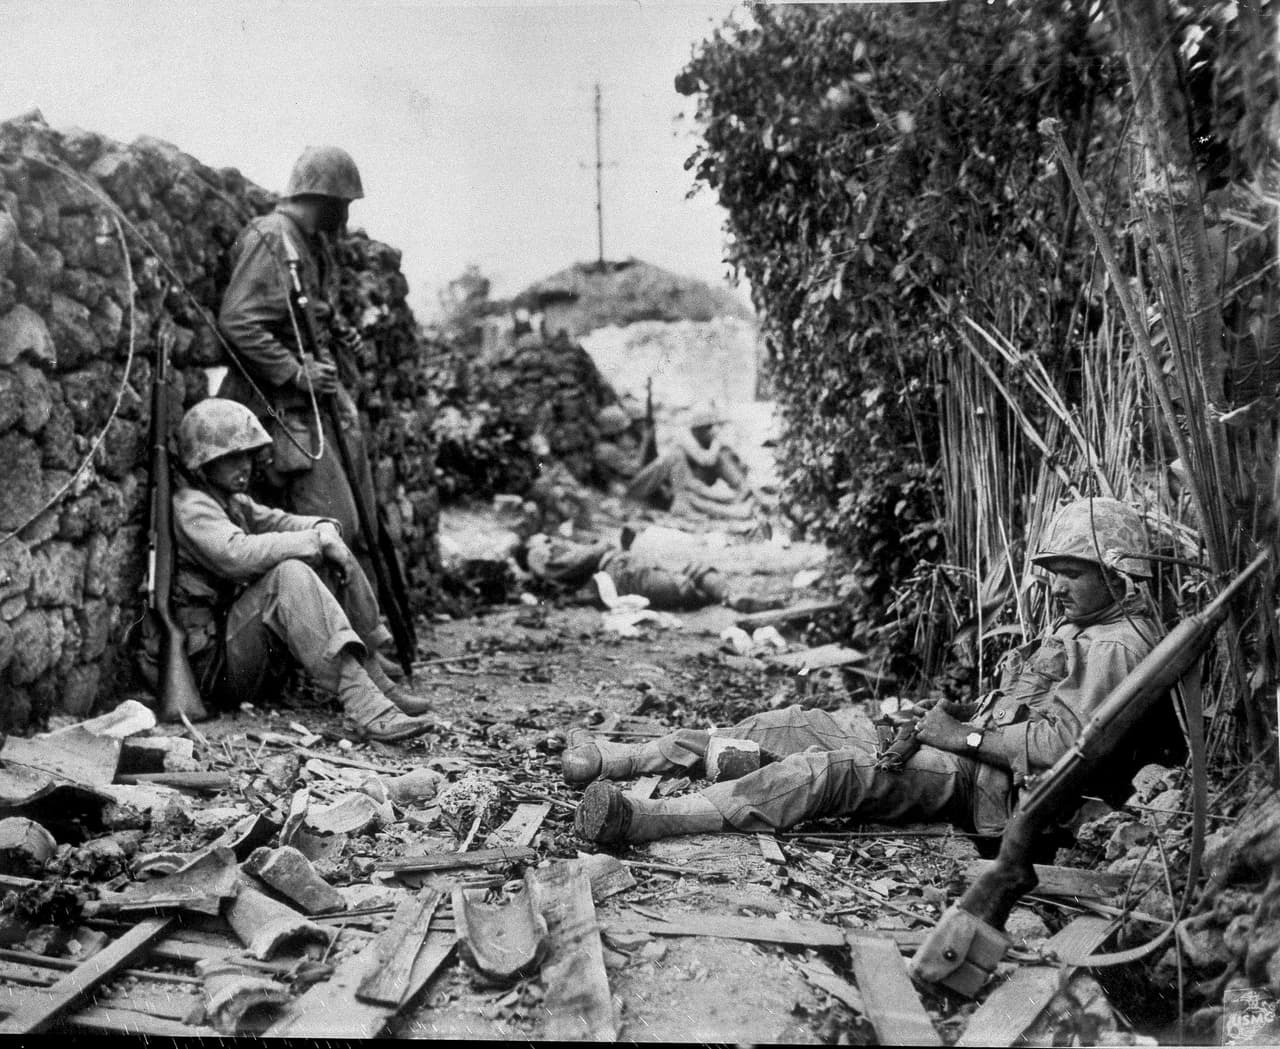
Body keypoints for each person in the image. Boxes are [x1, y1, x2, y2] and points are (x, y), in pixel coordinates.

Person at [570, 497, 1171, 845]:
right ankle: (621, 760)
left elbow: (1060, 748)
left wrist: (953, 735)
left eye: (1073, 572)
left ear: (1117, 575)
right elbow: (1019, 710)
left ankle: (650, 819)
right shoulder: (1083, 624)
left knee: (831, 771)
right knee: (789, 725)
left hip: (984, 789)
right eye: (1055, 571)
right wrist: (943, 721)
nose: (1057, 585)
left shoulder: (1116, 646)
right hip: (967, 754)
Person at [169, 398, 433, 743]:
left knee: (324, 550)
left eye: (247, 455)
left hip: (239, 648)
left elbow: (279, 521)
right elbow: (236, 554)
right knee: (290, 574)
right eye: (232, 457)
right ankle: (364, 703)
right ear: (204, 461)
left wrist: (323, 529)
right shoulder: (192, 507)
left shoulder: (229, 500)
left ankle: (374, 677)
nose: (245, 466)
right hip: (213, 668)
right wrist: (314, 540)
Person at [216, 146, 380, 593]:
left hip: (318, 407)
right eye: (342, 204)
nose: (345, 218)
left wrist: (339, 332)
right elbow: (239, 321)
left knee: (360, 518)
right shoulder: (272, 237)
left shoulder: (308, 245)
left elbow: (307, 312)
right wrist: (294, 371)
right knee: (334, 523)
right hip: (290, 414)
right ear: (322, 199)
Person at [516, 530, 783, 614]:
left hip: (623, 568)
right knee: (689, 577)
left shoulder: (545, 551)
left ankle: (727, 596)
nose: (548, 540)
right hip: (618, 573)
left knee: (688, 579)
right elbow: (579, 560)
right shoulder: (537, 554)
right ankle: (728, 595)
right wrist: (602, 545)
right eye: (543, 539)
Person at [625, 406, 754, 519]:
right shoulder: (684, 437)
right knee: (690, 489)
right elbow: (705, 460)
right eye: (708, 427)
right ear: (698, 428)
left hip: (683, 482)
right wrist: (717, 443)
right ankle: (733, 504)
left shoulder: (639, 438)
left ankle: (739, 492)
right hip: (675, 484)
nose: (711, 430)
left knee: (722, 455)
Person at [593, 405, 647, 493]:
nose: (625, 431)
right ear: (615, 430)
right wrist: (645, 444)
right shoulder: (606, 450)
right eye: (622, 430)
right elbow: (633, 470)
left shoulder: (607, 445)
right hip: (619, 487)